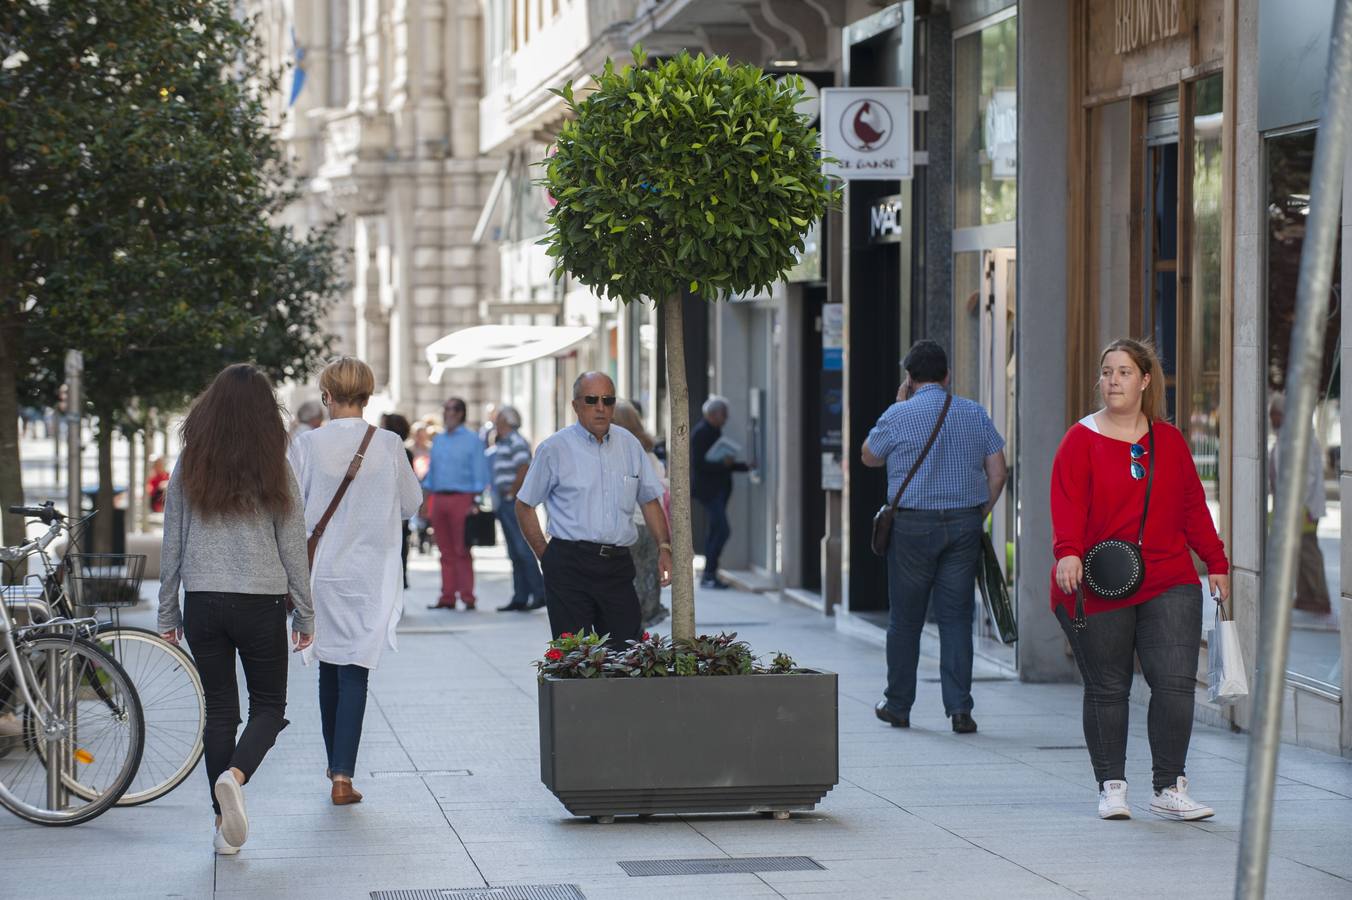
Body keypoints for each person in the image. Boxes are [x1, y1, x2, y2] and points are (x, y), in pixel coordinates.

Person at [1051, 338, 1230, 822]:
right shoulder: (1080, 439)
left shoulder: (1168, 441)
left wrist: (1215, 561)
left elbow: (1192, 505)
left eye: (1124, 372)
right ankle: (1112, 786)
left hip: (1169, 575)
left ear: (1145, 380)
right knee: (1109, 687)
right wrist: (1067, 553)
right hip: (1100, 580)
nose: (1113, 380)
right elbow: (1068, 503)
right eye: (1107, 372)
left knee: (1173, 683)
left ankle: (1169, 786)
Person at [156, 363, 314, 855]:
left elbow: (173, 539)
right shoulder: (275, 463)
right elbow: (292, 543)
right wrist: (305, 612)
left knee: (220, 712)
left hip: (202, 601)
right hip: (260, 601)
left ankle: (223, 827)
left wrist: (167, 611)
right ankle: (235, 776)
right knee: (269, 707)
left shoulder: (191, 461)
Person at [288, 358, 423, 805]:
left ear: (326, 396)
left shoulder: (307, 445)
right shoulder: (387, 444)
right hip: (371, 574)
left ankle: (336, 768)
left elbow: (292, 509)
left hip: (322, 571)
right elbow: (410, 503)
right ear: (367, 396)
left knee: (329, 664)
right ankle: (343, 775)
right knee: (356, 672)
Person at [861, 340, 1007, 735]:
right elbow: (998, 472)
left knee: (906, 620)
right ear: (947, 376)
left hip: (911, 527)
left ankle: (898, 705)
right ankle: (960, 710)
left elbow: (869, 456)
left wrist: (898, 403)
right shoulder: (974, 413)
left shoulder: (898, 414)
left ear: (909, 378)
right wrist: (981, 513)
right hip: (964, 524)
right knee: (957, 618)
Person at [516, 372, 673, 649]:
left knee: (627, 653)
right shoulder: (555, 448)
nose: (601, 407)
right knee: (575, 658)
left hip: (618, 565)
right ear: (576, 405)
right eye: (592, 400)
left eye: (607, 400)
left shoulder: (630, 445)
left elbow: (649, 500)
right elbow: (524, 504)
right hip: (569, 564)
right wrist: (546, 555)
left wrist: (664, 547)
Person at [1268, 392, 1334, 622]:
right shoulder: (1285, 436)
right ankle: (1307, 595)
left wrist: (1298, 505)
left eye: (1275, 414)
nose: (1272, 418)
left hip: (1302, 506)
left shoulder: (1300, 438)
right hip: (1291, 507)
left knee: (1308, 550)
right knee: (1299, 551)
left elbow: (1307, 475)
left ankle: (1318, 596)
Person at [422, 397, 491, 610]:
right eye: (445, 409)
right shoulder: (439, 440)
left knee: (462, 550)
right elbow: (432, 474)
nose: (447, 413)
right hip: (439, 498)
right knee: (444, 551)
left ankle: (468, 596)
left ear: (461, 413)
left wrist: (476, 501)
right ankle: (447, 597)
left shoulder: (472, 440)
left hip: (463, 499)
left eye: (451, 409)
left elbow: (481, 473)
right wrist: (425, 502)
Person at [611, 399, 669, 627]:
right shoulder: (651, 455)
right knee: (644, 583)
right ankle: (638, 634)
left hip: (631, 528)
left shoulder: (626, 454)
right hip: (651, 529)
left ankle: (632, 633)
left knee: (629, 586)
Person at [488, 406, 547, 612]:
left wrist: (512, 494)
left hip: (512, 501)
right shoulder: (505, 442)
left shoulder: (516, 441)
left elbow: (524, 468)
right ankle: (520, 595)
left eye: (499, 420)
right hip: (505, 501)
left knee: (522, 549)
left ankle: (538, 593)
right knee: (514, 551)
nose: (495, 423)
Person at [690, 396, 751, 589]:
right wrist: (723, 464)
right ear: (714, 414)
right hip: (709, 491)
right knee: (722, 530)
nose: (726, 419)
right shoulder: (701, 433)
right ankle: (709, 573)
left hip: (718, 490)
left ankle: (710, 573)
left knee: (716, 531)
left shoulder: (715, 431)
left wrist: (743, 467)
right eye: (724, 415)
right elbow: (700, 464)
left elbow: (723, 464)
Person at [381, 413, 414, 589]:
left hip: (395, 508)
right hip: (394, 508)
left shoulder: (399, 451)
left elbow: (405, 483)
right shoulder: (397, 450)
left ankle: (399, 582)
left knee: (397, 548)